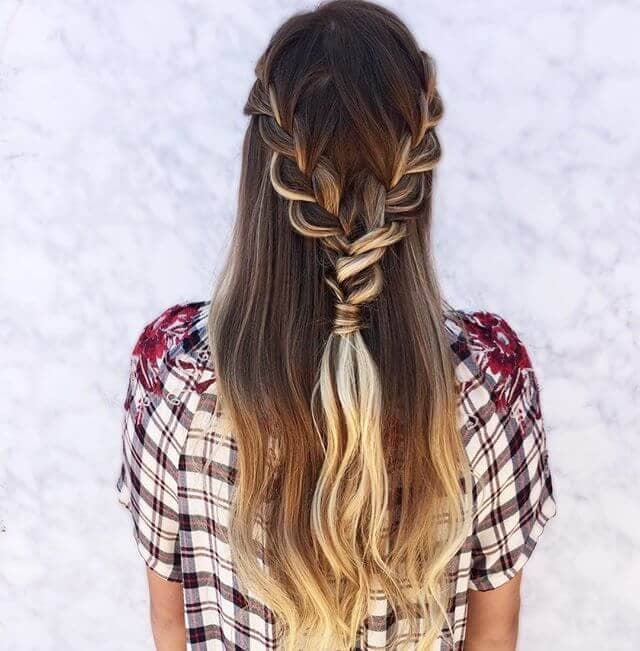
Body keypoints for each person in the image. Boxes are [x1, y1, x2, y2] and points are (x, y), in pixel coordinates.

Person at [115, 1, 557, 649]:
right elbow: (495, 633)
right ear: (415, 189)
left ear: (257, 185)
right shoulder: (489, 387)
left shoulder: (171, 379)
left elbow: (169, 623)